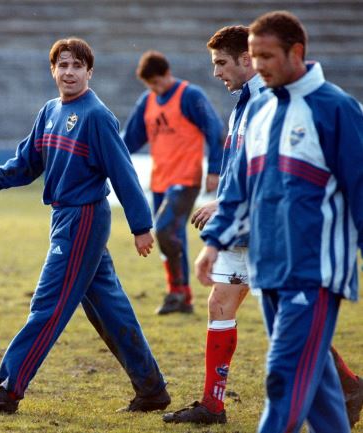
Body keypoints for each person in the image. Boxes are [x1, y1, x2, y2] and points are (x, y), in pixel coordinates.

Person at [164, 24, 363, 429]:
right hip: (257, 242)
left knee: (285, 374)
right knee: (305, 372)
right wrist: (215, 238)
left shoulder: (335, 108)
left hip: (308, 259)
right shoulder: (255, 106)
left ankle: (215, 406)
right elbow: (247, 178)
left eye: (262, 57)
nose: (220, 72)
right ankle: (348, 387)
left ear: (295, 53)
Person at [0, 37, 171, 414]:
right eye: (62, 65)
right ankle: (152, 389)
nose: (69, 72)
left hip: (84, 218)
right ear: (53, 71)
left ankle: (9, 389)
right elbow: (26, 162)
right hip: (64, 217)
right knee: (110, 308)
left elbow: (123, 173)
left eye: (77, 66)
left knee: (48, 303)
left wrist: (141, 225)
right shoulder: (49, 112)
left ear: (89, 72)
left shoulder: (96, 116)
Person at [163, 25, 265, 424]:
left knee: (287, 320)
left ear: (246, 59)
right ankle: (212, 405)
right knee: (220, 303)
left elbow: (270, 168)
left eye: (222, 63)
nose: (217, 72)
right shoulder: (245, 101)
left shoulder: (266, 103)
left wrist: (223, 199)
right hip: (241, 228)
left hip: (265, 229)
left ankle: (344, 384)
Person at [122, 50, 224, 315]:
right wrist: (108, 161)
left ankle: (180, 292)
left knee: (165, 230)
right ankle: (179, 296)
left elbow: (214, 129)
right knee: (171, 235)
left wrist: (214, 168)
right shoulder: (148, 101)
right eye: (150, 85)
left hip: (186, 179)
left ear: (167, 74)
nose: (155, 89)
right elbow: (130, 139)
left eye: (157, 82)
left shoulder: (190, 96)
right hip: (159, 181)